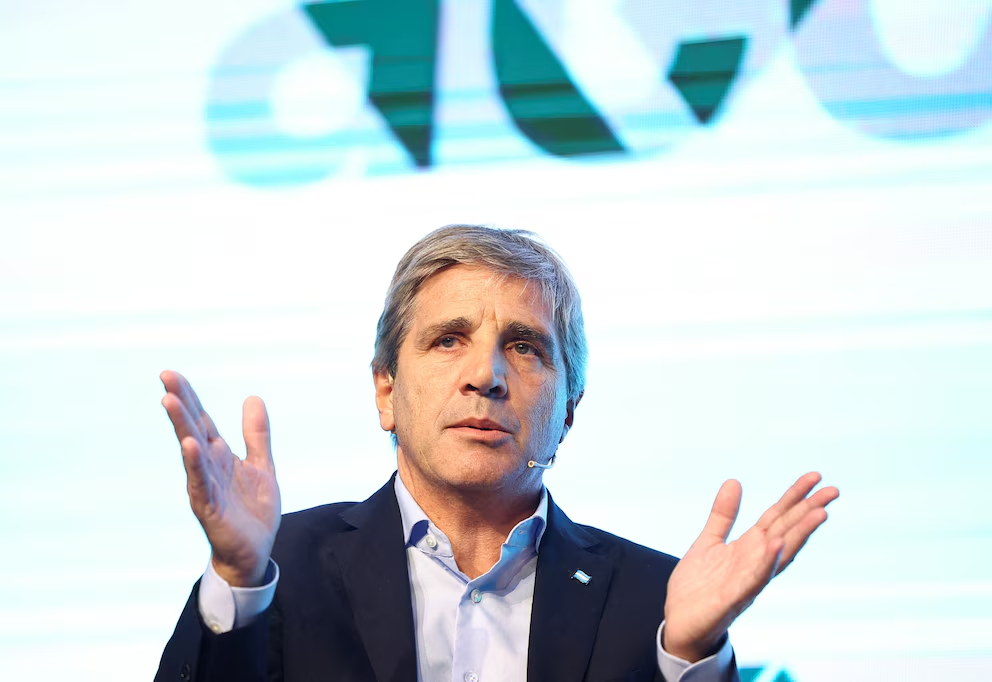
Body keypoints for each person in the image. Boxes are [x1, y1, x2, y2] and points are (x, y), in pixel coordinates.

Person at [155, 225, 838, 682]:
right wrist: (237, 580)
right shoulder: (280, 568)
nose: (486, 375)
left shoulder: (658, 602)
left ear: (568, 410)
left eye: (525, 346)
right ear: (386, 391)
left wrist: (690, 658)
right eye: (448, 339)